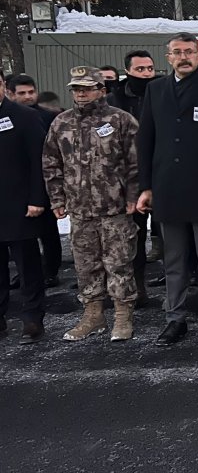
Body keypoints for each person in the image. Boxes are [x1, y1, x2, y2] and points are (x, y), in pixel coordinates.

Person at [137, 32, 198, 346]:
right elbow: (146, 141)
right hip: (167, 189)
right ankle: (175, 318)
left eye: (189, 51)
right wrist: (146, 188)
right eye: (177, 52)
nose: (183, 57)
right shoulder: (155, 90)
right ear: (168, 57)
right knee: (174, 261)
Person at [42, 67, 140, 342]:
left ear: (102, 89)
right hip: (80, 209)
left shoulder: (121, 120)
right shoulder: (61, 123)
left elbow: (136, 163)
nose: (81, 93)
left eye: (87, 87)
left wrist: (133, 196)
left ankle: (123, 316)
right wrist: (57, 199)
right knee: (86, 266)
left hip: (116, 208)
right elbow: (51, 163)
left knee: (119, 263)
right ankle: (93, 316)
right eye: (76, 88)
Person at [108, 49, 161, 296]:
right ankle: (137, 287)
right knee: (133, 237)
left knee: (173, 236)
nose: (146, 74)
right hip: (129, 179)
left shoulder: (162, 92)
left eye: (150, 69)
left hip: (163, 174)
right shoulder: (114, 100)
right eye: (140, 70)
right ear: (127, 71)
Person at [0, 76, 47, 344]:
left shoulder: (23, 116)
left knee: (27, 266)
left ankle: (32, 318)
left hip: (20, 205)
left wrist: (37, 198)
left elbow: (38, 160)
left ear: (4, 87)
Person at [6, 73, 61, 285]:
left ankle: (51, 270)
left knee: (48, 230)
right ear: (11, 94)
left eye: (31, 92)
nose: (28, 97)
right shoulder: (9, 117)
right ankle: (26, 271)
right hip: (17, 185)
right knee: (21, 235)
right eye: (22, 93)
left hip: (44, 181)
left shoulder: (47, 117)